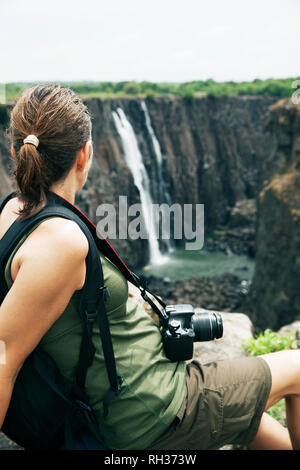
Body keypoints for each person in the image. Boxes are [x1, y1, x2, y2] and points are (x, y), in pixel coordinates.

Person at [0, 83, 300, 451]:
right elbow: (3, 355)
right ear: (84, 156)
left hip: (139, 395)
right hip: (152, 413)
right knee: (298, 368)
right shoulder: (61, 242)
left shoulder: (11, 210)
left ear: (17, 152)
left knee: (253, 422)